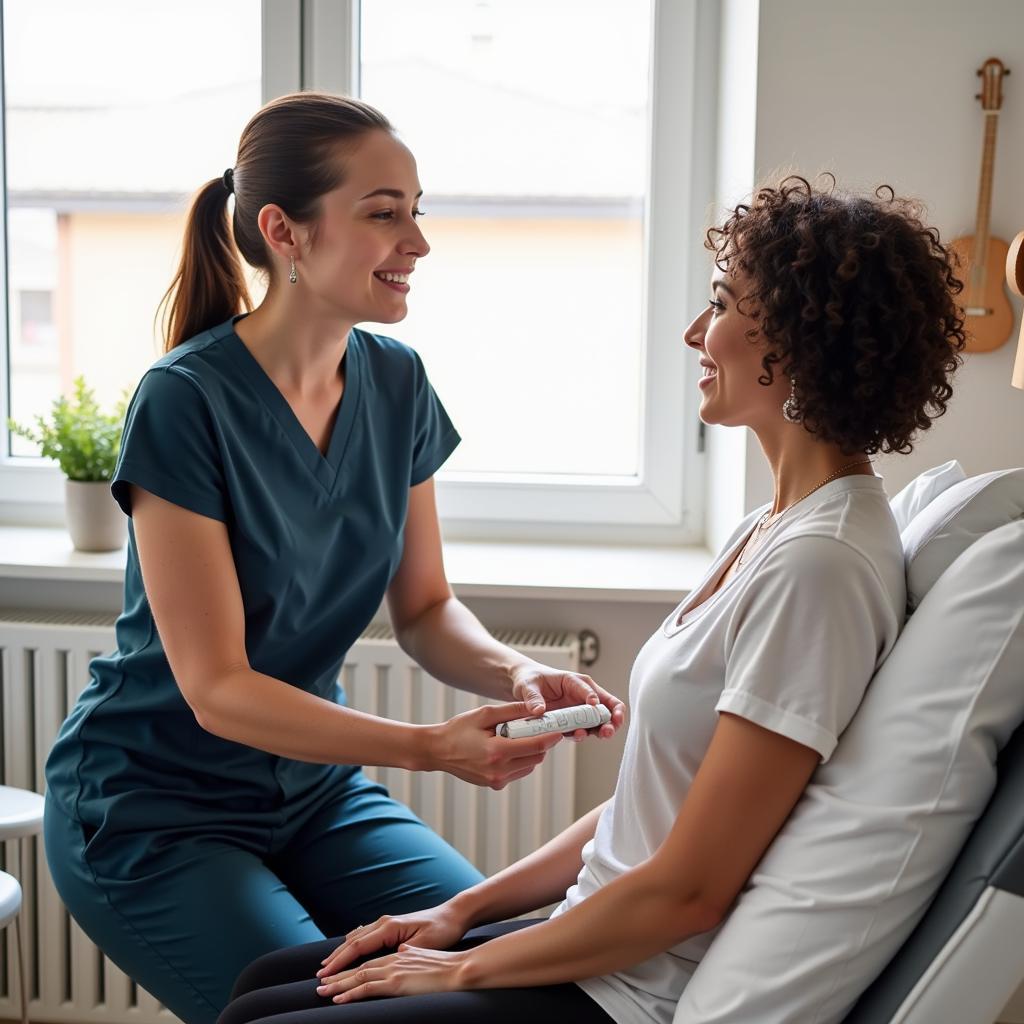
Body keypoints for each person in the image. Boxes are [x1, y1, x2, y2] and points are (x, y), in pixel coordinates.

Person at [216, 175, 966, 1024]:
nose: (694, 332)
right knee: (265, 983)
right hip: (589, 937)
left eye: (719, 304)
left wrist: (462, 970)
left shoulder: (820, 569)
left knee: (258, 1019)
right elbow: (651, 806)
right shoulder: (775, 526)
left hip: (625, 990)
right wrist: (458, 916)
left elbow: (689, 891)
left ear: (791, 343)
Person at [41, 91, 625, 1024]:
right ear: (286, 232)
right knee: (316, 1009)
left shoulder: (397, 383)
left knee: (500, 969)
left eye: (417, 211)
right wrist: (431, 749)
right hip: (153, 809)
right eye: (384, 214)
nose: (418, 242)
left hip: (314, 796)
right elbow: (217, 687)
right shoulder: (184, 401)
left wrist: (518, 674)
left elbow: (427, 609)